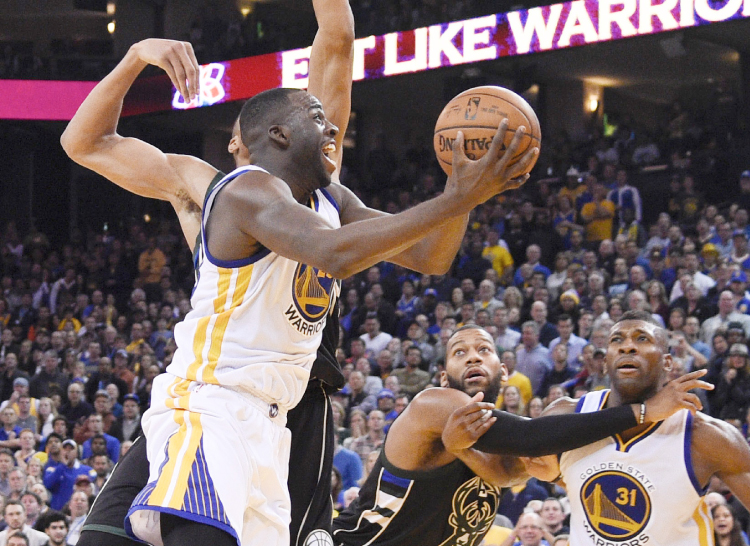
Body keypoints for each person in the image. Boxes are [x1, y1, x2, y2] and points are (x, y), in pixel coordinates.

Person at [65, 27, 538, 546]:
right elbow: (333, 254)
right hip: (214, 402)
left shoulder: (333, 203)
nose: (333, 126)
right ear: (275, 137)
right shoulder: (241, 187)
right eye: (317, 118)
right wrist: (136, 55)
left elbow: (431, 255)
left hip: (277, 421)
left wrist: (461, 185)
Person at [331, 325, 708, 546]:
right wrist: (642, 411)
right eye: (459, 352)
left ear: (504, 371)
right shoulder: (435, 403)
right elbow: (531, 441)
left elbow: (509, 471)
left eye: (483, 350)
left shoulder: (502, 440)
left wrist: (462, 452)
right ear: (444, 377)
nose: (473, 357)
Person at [519, 310, 750, 545]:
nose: (626, 347)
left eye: (642, 339)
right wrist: (557, 476)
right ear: (606, 361)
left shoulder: (705, 436)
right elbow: (506, 469)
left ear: (667, 362)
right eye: (616, 340)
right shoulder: (564, 415)